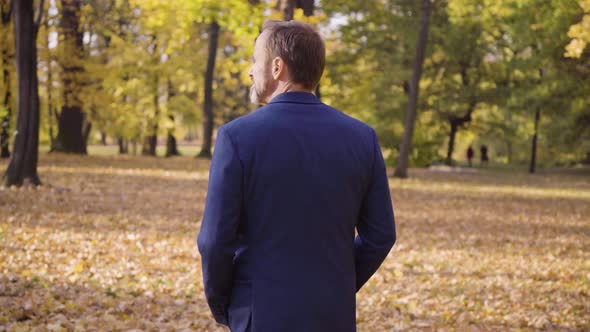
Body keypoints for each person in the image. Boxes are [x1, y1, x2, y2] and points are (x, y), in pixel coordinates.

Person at [197, 20, 396, 332]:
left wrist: (226, 305)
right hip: (332, 315)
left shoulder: (237, 137)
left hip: (259, 314)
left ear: (278, 67)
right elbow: (381, 235)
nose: (250, 70)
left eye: (254, 60)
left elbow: (214, 240)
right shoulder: (362, 138)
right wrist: (337, 285)